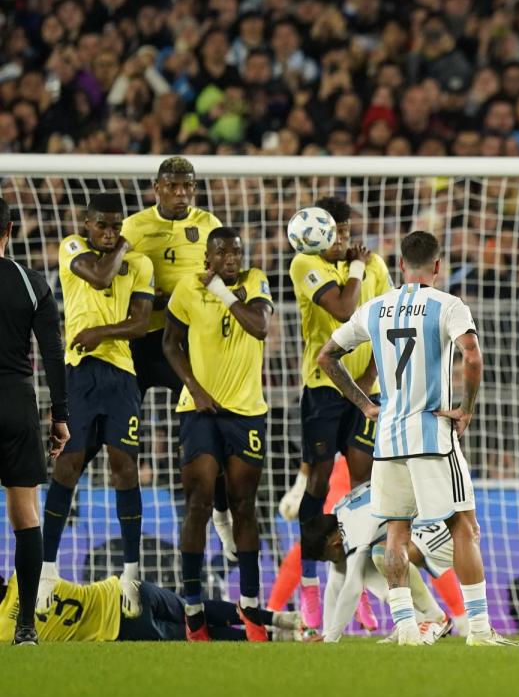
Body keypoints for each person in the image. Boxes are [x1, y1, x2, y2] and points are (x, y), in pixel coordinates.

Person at [316, 230, 515, 646]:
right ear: (438, 267)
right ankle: (478, 630)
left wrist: (365, 404)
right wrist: (467, 407)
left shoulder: (375, 307)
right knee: (463, 525)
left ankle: (406, 627)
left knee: (395, 533)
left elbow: (326, 356)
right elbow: (472, 355)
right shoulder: (448, 305)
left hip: (387, 438)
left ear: (401, 266)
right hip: (431, 434)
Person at [38, 194, 154, 618]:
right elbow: (101, 278)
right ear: (86, 224)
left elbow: (141, 323)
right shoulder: (72, 246)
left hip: (121, 377)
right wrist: (120, 247)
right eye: (102, 226)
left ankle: (130, 576)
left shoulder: (140, 263)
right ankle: (47, 573)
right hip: (79, 376)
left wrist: (101, 332)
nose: (109, 233)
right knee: (66, 468)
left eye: (116, 227)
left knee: (124, 468)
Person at [163, 227, 274, 642]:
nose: (231, 258)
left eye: (236, 252)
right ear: (208, 257)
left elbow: (259, 327)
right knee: (199, 502)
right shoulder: (187, 289)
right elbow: (170, 344)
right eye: (222, 252)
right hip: (200, 411)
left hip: (246, 413)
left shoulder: (255, 281)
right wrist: (193, 386)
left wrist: (224, 293)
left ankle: (249, 607)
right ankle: (193, 612)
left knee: (245, 506)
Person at [285, 195, 391, 630]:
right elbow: (345, 308)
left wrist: (365, 381)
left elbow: (386, 324)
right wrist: (356, 269)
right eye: (334, 232)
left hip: (368, 387)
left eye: (345, 231)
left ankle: (358, 581)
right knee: (321, 482)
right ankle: (309, 585)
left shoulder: (376, 266)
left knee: (367, 485)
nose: (341, 239)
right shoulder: (306, 266)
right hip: (323, 389)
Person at [122, 157, 235, 559]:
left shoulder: (208, 224)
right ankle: (127, 546)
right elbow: (120, 280)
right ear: (157, 188)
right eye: (172, 186)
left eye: (187, 186)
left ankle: (222, 519)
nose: (181, 193)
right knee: (120, 441)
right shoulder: (133, 227)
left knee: (208, 430)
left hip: (185, 342)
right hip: (140, 342)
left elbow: (222, 275)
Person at [0, 198, 70, 645]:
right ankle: (26, 626)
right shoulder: (30, 282)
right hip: (15, 403)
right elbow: (52, 354)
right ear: (9, 230)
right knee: (24, 512)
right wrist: (59, 415)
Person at [300, 482, 453, 644]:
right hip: (418, 521)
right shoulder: (337, 519)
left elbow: (352, 589)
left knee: (381, 555)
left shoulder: (354, 530)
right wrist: (327, 634)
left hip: (444, 527)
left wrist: (331, 638)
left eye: (328, 558)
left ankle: (435, 616)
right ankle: (414, 619)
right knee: (368, 564)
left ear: (335, 544)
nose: (332, 562)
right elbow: (335, 582)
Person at [0, 572, 300, 642]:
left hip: (120, 626)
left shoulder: (3, 632)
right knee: (195, 610)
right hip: (124, 590)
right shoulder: (22, 574)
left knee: (194, 635)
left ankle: (276, 638)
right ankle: (279, 618)